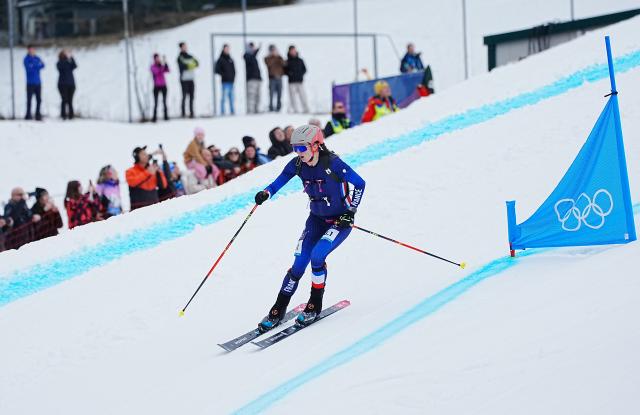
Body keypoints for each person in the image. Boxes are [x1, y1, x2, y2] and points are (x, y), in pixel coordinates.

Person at [254, 125, 365, 330]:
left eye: (302, 148)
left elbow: (360, 184)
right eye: (295, 148)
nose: (298, 153)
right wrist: (266, 193)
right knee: (299, 262)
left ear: (316, 145)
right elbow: (278, 182)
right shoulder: (297, 165)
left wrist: (350, 212)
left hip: (339, 221)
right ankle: (278, 308)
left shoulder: (333, 163)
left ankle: (314, 304)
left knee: (317, 256)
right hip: (316, 220)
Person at [125, 146, 168, 210]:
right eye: (143, 154)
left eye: (146, 153)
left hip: (155, 206)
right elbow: (132, 182)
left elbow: (164, 185)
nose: (146, 155)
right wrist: (147, 173)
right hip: (139, 209)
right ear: (137, 157)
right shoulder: (130, 171)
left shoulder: (152, 169)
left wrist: (159, 172)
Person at [285, 45, 309, 113]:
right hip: (291, 82)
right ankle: (295, 110)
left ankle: (306, 109)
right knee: (292, 97)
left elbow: (304, 69)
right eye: (292, 50)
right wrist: (290, 73)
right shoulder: (287, 61)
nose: (293, 52)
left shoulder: (300, 60)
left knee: (303, 96)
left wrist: (300, 74)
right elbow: (285, 71)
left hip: (300, 81)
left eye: (294, 50)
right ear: (289, 51)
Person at [177, 42, 198, 118]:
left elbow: (197, 63)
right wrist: (191, 65)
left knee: (192, 97)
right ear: (181, 48)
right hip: (184, 79)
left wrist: (190, 65)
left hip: (191, 79)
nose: (185, 48)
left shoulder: (190, 56)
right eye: (183, 46)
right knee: (184, 96)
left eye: (186, 46)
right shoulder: (180, 57)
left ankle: (191, 113)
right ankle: (183, 113)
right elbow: (183, 66)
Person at [24, 45, 45, 120]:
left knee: (39, 100)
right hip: (30, 83)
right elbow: (29, 69)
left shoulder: (37, 58)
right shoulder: (26, 59)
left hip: (38, 83)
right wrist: (37, 65)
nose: (32, 51)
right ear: (28, 50)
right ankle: (28, 115)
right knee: (29, 100)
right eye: (31, 49)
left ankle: (38, 115)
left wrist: (34, 65)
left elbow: (43, 65)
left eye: (33, 49)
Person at [215, 44, 236, 115]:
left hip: (231, 81)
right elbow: (216, 70)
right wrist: (224, 74)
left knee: (232, 98)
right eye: (226, 48)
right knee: (224, 98)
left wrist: (233, 77)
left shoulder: (230, 59)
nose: (227, 50)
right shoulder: (220, 59)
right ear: (223, 49)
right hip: (225, 82)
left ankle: (232, 111)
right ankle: (222, 111)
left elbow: (234, 70)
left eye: (228, 48)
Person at [56, 49, 77, 120]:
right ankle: (63, 115)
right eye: (64, 53)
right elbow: (62, 68)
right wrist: (67, 59)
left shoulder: (69, 62)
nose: (66, 55)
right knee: (64, 99)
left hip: (71, 84)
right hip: (62, 84)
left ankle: (71, 115)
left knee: (70, 100)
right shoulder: (59, 63)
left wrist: (71, 57)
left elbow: (75, 66)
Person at [264, 44, 285, 112]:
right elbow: (268, 64)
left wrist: (278, 56)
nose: (273, 51)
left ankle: (278, 107)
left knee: (279, 94)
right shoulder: (267, 58)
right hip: (272, 79)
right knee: (271, 94)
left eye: (274, 50)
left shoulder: (279, 57)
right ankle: (271, 107)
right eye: (272, 50)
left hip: (279, 78)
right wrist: (273, 57)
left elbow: (284, 64)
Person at [150, 53, 170, 122]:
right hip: (156, 86)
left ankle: (166, 116)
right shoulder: (153, 66)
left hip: (163, 85)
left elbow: (167, 70)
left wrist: (165, 63)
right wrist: (161, 65)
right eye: (157, 58)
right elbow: (157, 71)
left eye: (159, 58)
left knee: (164, 101)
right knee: (156, 102)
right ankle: (154, 117)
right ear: (154, 59)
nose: (158, 59)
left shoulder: (161, 65)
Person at [244, 42, 262, 114]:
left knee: (258, 96)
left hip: (257, 79)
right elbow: (251, 56)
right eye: (251, 47)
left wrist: (257, 50)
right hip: (251, 79)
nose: (253, 49)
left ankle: (256, 110)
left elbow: (254, 54)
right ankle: (250, 111)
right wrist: (256, 50)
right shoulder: (247, 56)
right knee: (251, 95)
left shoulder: (253, 57)